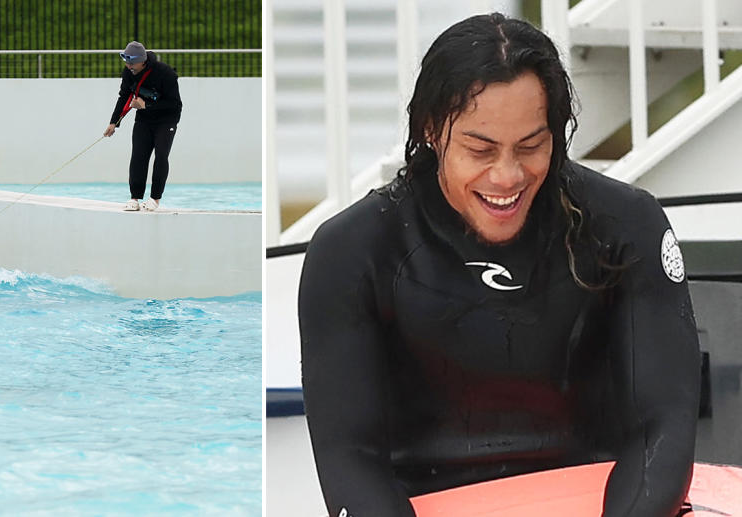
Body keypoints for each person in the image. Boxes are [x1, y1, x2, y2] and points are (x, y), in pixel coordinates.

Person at [299, 13, 700, 517]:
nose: (507, 176)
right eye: (479, 149)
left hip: (603, 500)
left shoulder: (624, 224)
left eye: (531, 146)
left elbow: (663, 425)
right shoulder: (353, 251)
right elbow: (350, 457)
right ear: (430, 129)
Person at [103, 40, 183, 212]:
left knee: (161, 155)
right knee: (139, 155)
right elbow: (124, 96)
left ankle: (155, 198)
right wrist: (113, 123)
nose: (128, 65)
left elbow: (175, 104)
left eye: (132, 62)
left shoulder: (165, 73)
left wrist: (147, 105)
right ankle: (135, 197)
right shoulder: (128, 73)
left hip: (166, 120)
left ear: (143, 61)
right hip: (144, 119)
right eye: (126, 61)